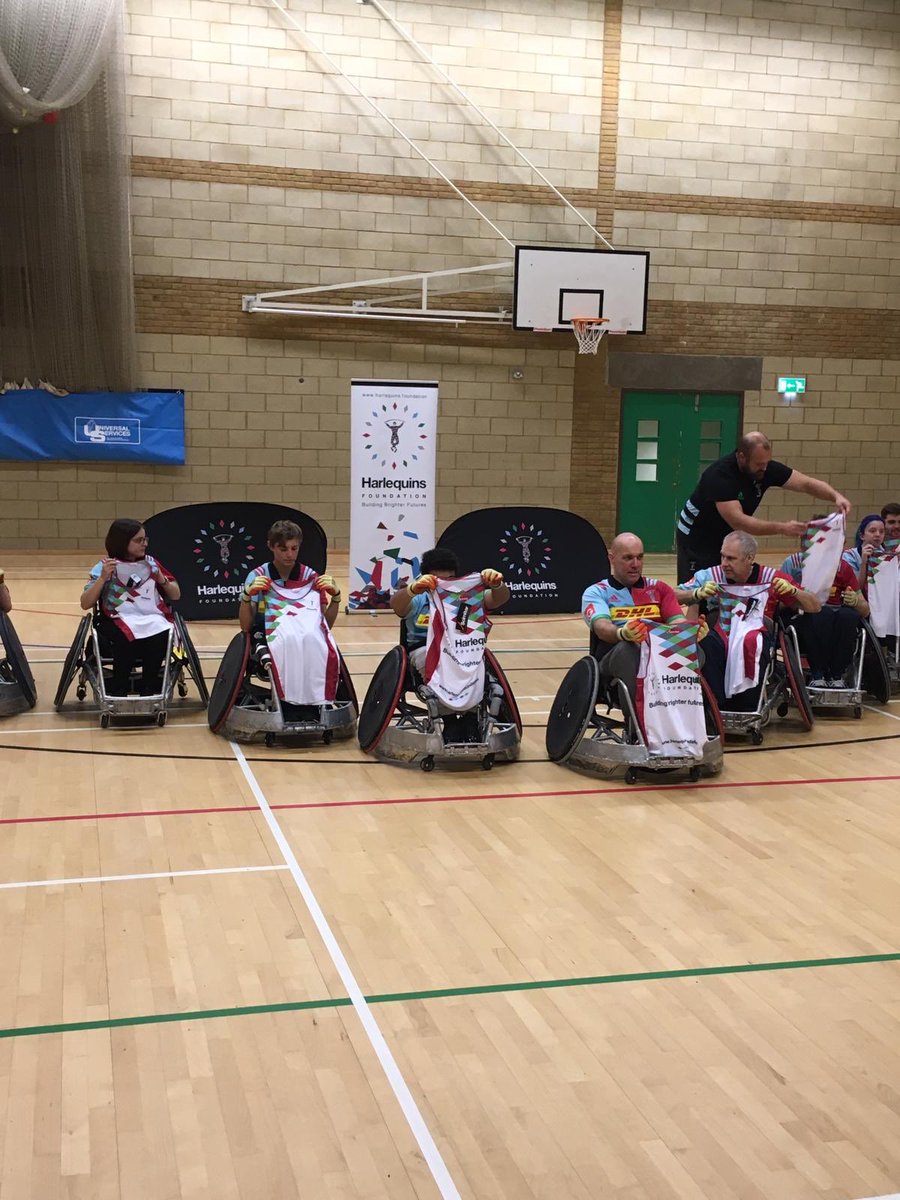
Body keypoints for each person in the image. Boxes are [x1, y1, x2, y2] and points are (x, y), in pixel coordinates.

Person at [675, 431, 852, 581]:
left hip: (727, 535)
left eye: (767, 462)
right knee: (700, 589)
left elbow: (805, 483)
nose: (765, 468)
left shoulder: (765, 468)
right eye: (759, 464)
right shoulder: (720, 476)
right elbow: (740, 522)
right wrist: (782, 528)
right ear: (741, 457)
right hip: (697, 538)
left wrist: (835, 496)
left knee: (730, 582)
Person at [676, 530, 820, 710]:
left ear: (749, 558)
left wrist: (793, 591)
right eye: (722, 557)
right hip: (722, 634)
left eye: (731, 558)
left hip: (758, 634)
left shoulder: (772, 578)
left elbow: (814, 606)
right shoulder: (711, 575)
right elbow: (671, 596)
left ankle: (746, 707)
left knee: (752, 643)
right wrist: (695, 593)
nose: (724, 564)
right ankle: (716, 705)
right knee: (707, 645)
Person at [582, 532, 684, 707]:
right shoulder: (596, 592)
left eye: (639, 557)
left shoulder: (660, 589)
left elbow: (679, 625)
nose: (635, 564)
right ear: (611, 558)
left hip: (661, 663)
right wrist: (622, 633)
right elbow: (601, 627)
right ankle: (636, 727)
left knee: (697, 649)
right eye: (628, 558)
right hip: (614, 664)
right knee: (629, 649)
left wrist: (693, 632)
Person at [81, 518, 181, 696]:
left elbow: (176, 594)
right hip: (116, 617)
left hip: (151, 616)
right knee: (124, 637)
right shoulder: (104, 567)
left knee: (160, 632)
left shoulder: (151, 564)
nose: (144, 544)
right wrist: (103, 578)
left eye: (145, 539)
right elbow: (85, 603)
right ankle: (118, 688)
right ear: (122, 541)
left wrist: (161, 580)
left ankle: (149, 689)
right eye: (138, 540)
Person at [390, 547, 510, 677]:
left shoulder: (467, 596)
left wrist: (497, 584)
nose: (444, 585)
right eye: (439, 581)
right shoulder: (418, 598)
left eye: (449, 579)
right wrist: (411, 590)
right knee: (437, 668)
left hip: (461, 649)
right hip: (425, 649)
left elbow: (498, 599)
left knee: (483, 670)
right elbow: (396, 605)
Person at [780, 533, 870, 689]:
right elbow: (780, 605)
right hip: (804, 616)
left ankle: (837, 675)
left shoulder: (843, 567)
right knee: (822, 614)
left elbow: (865, 611)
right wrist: (793, 593)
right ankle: (818, 673)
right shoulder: (793, 564)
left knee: (849, 616)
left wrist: (856, 602)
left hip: (835, 619)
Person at [239, 519, 339, 635]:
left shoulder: (311, 578)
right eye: (283, 549)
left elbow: (325, 627)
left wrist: (336, 599)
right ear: (270, 546)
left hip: (303, 638)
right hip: (267, 638)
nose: (289, 554)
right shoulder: (257, 576)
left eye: (294, 548)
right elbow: (246, 627)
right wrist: (246, 597)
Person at [843, 514, 885, 592]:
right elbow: (855, 590)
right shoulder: (849, 556)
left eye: (881, 531)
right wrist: (863, 563)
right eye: (872, 531)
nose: (878, 534)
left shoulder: (888, 556)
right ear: (862, 535)